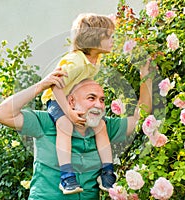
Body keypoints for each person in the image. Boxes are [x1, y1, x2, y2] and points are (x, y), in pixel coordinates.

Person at [0, 63, 152, 199]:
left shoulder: (103, 127)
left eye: (102, 100)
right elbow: (1, 113)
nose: (99, 105)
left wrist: (146, 77)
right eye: (91, 98)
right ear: (72, 102)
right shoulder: (47, 122)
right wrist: (42, 85)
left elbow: (138, 119)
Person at [40, 13, 116, 194]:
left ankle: (107, 173)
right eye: (109, 36)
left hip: (70, 99)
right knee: (65, 125)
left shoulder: (94, 61)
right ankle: (66, 177)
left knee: (101, 126)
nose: (113, 40)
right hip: (56, 98)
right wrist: (68, 111)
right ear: (95, 38)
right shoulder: (76, 62)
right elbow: (55, 85)